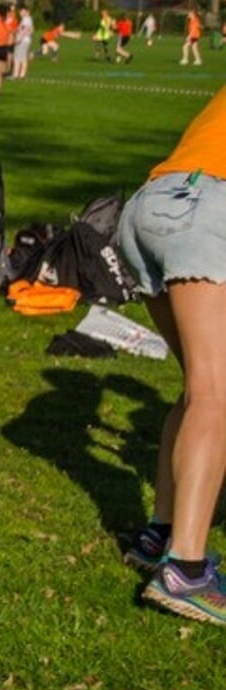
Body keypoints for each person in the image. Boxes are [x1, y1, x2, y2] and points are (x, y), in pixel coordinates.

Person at [116, 83, 226, 625]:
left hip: (148, 208)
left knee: (199, 387)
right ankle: (186, 570)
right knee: (216, 394)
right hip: (205, 208)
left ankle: (158, 533)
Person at [11, 5, 34, 79]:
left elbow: (25, 29)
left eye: (22, 11)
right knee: (22, 57)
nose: (20, 13)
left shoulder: (26, 19)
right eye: (20, 11)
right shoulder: (27, 19)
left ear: (27, 12)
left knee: (17, 57)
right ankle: (21, 74)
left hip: (23, 40)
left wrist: (19, 38)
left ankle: (16, 74)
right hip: (26, 39)